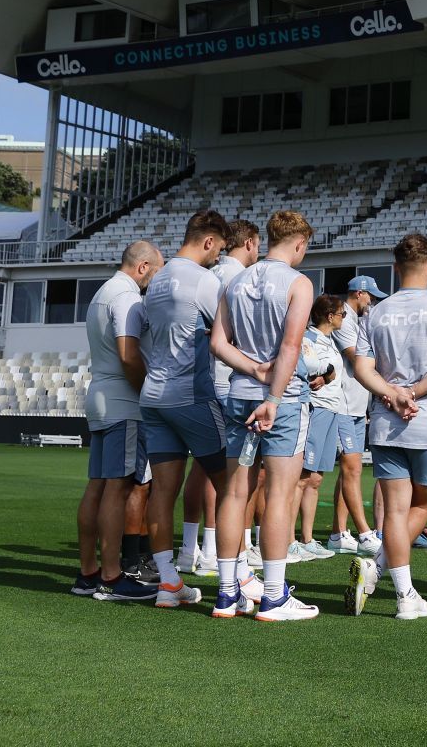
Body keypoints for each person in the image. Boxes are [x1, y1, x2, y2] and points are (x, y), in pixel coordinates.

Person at [343, 233, 427, 621]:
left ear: (395, 269)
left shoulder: (376, 313)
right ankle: (398, 587)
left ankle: (396, 586)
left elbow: (362, 367)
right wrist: (411, 392)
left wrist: (392, 394)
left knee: (395, 511)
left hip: (385, 421)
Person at [210, 210, 319, 623]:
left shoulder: (236, 279)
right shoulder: (298, 283)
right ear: (300, 243)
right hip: (282, 401)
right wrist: (272, 394)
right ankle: (273, 596)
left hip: (239, 394)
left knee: (234, 493)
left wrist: (251, 368)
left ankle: (225, 593)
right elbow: (291, 347)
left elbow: (219, 343)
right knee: (278, 494)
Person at [137, 211, 237, 610]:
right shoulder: (203, 280)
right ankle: (239, 580)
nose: (219, 258)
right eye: (220, 250)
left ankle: (168, 583)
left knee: (163, 490)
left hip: (153, 397)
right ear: (209, 241)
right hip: (191, 395)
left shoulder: (156, 280)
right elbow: (230, 336)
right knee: (233, 486)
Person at [75, 240, 162, 603]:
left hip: (101, 396)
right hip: (124, 402)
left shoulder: (101, 293)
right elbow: (129, 356)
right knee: (119, 487)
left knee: (97, 486)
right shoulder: (126, 296)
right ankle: (112, 576)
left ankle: (88, 573)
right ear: (142, 267)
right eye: (155, 271)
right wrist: (148, 394)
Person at [194, 218, 259, 574]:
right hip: (226, 380)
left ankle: (200, 548)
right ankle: (216, 550)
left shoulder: (211, 275)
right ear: (249, 242)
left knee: (205, 470)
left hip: (205, 379)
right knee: (229, 474)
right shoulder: (236, 278)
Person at [328, 275, 388, 555]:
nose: (372, 301)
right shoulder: (344, 318)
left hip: (354, 404)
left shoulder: (355, 319)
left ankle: (340, 532)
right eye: (370, 296)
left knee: (348, 471)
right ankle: (363, 533)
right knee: (349, 469)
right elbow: (356, 357)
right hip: (340, 402)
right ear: (360, 293)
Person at [291, 295, 347, 563]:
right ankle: (289, 540)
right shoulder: (308, 338)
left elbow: (328, 373)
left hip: (331, 409)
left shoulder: (329, 342)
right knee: (303, 477)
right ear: (329, 316)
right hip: (316, 409)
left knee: (315, 479)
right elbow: (304, 369)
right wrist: (324, 376)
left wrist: (327, 376)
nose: (343, 318)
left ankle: (307, 538)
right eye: (341, 314)